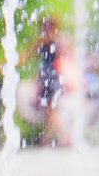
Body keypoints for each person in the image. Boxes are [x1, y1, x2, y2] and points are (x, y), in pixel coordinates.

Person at [29, 16, 77, 147]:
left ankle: (55, 137)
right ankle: (55, 137)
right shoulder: (54, 40)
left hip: (51, 78)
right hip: (49, 78)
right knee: (50, 109)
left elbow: (28, 54)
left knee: (50, 109)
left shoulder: (50, 40)